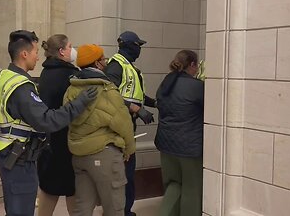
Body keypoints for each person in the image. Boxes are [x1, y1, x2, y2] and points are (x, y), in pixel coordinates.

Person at [0, 30, 98, 216]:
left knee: (16, 207)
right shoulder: (21, 86)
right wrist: (79, 103)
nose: (38, 56)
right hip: (19, 158)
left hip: (8, 153)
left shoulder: (4, 77)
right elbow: (47, 120)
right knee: (21, 210)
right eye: (34, 52)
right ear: (24, 54)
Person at [64, 44, 135, 216]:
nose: (106, 62)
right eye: (103, 59)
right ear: (97, 64)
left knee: (82, 207)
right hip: (104, 155)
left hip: (79, 154)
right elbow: (123, 122)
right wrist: (129, 148)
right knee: (114, 207)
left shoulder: (71, 89)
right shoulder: (106, 89)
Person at [104, 31, 156, 216]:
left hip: (127, 126)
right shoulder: (116, 66)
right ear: (128, 45)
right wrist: (137, 110)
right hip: (118, 129)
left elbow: (137, 95)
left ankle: (125, 210)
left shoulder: (129, 67)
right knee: (123, 174)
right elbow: (109, 94)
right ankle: (121, 211)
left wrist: (156, 103)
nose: (139, 49)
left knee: (127, 173)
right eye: (138, 46)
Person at [155, 50, 204, 216]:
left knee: (173, 185)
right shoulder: (196, 86)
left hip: (166, 145)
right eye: (196, 65)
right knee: (192, 189)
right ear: (191, 64)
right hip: (189, 148)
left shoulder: (165, 83)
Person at [37, 34, 79, 216]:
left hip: (47, 142)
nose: (73, 49)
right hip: (65, 141)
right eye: (70, 46)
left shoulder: (46, 72)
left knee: (49, 188)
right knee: (73, 189)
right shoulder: (69, 75)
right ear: (62, 51)